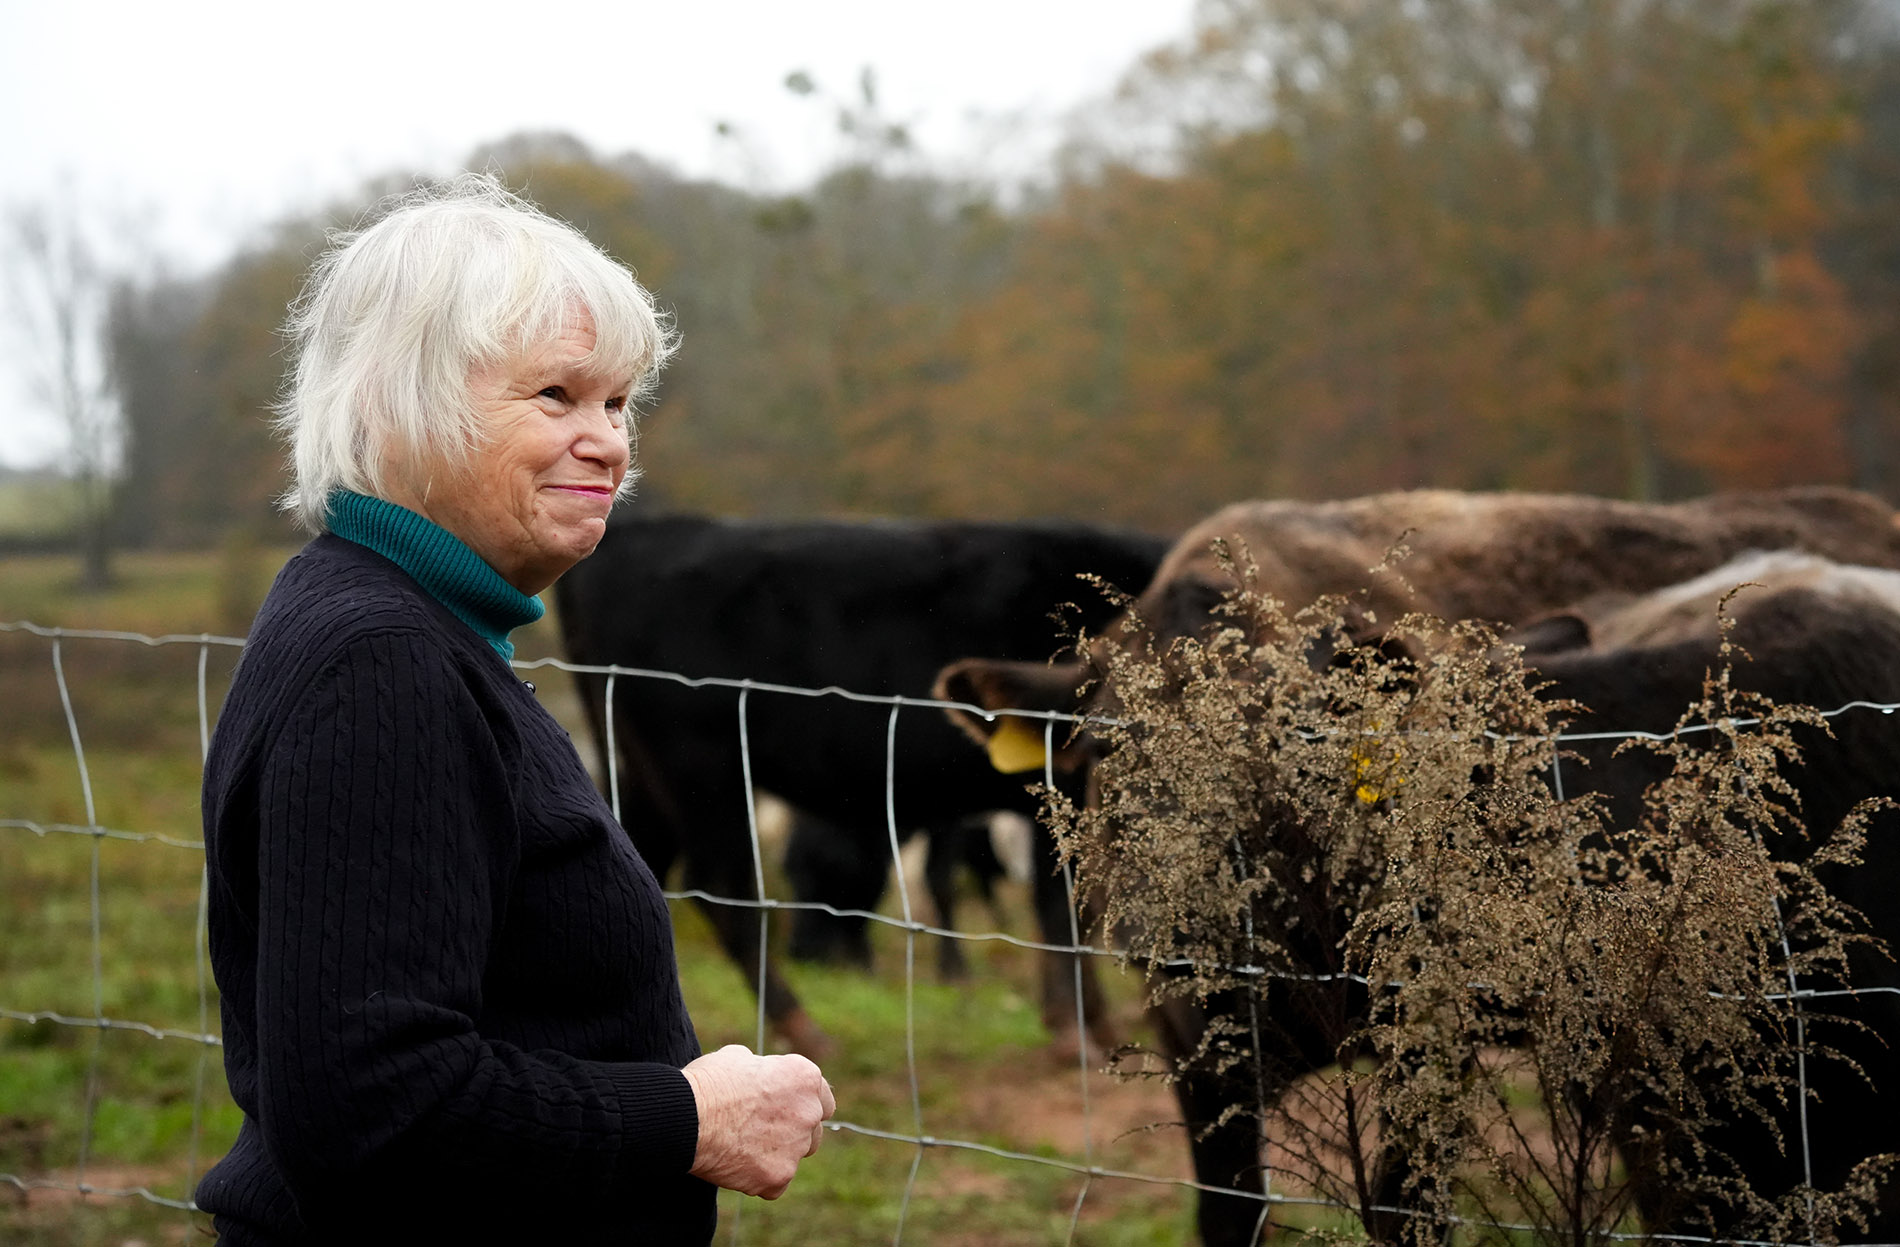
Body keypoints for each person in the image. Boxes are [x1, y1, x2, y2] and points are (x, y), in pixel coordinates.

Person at [195, 174, 835, 1246]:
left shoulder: (398, 618)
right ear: (402, 402)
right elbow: (369, 1106)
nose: (609, 443)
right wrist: (685, 1115)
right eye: (556, 397)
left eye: (619, 402)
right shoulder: (383, 660)